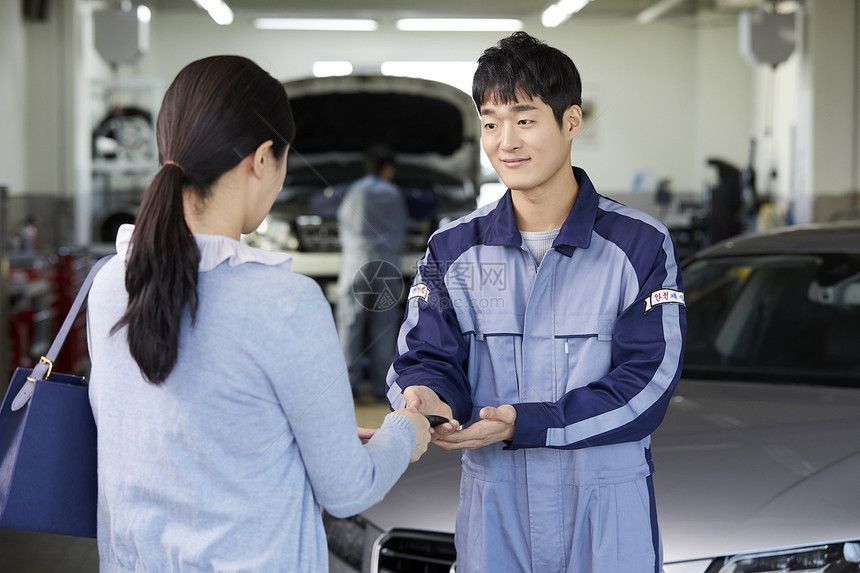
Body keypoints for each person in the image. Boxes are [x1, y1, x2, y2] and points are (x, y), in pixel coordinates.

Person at [86, 55, 430, 573]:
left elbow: (182, 433)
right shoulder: (285, 301)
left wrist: (313, 435)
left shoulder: (110, 282)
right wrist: (405, 431)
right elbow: (347, 491)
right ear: (263, 158)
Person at [386, 32, 686, 573]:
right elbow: (425, 357)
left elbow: (648, 384)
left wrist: (528, 423)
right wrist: (426, 402)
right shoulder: (453, 248)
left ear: (571, 122)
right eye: (490, 122)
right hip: (494, 510)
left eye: (524, 119)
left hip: (607, 514)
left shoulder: (640, 244)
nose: (506, 142)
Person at [336, 144, 408, 401]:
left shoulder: (351, 191)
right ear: (387, 168)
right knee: (384, 328)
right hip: (387, 265)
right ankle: (382, 387)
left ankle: (347, 387)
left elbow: (321, 204)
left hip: (356, 263)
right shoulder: (395, 192)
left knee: (350, 324)